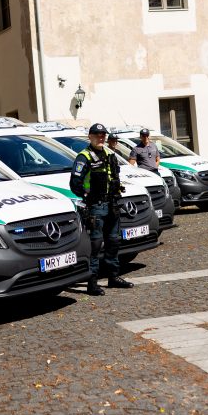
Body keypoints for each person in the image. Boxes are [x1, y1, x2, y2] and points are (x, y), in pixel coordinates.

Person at [69, 123, 134, 296]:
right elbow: (74, 184)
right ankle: (92, 282)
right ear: (89, 137)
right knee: (95, 245)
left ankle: (113, 277)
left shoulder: (109, 153)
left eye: (103, 135)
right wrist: (87, 195)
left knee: (113, 242)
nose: (101, 137)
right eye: (97, 135)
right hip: (96, 207)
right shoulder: (84, 157)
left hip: (112, 205)